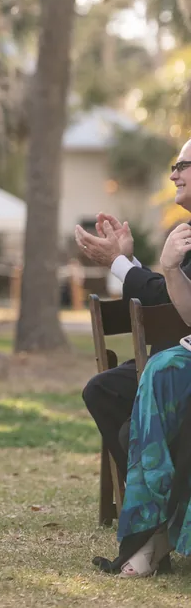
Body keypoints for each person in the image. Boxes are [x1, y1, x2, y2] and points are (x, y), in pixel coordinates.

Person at [94, 218, 191, 577]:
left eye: (183, 166)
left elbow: (161, 296)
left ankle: (157, 526)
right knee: (106, 390)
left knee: (158, 375)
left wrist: (121, 263)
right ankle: (152, 525)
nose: (174, 174)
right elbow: (178, 297)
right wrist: (148, 264)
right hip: (174, 361)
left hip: (173, 361)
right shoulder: (185, 231)